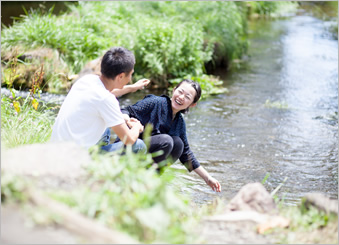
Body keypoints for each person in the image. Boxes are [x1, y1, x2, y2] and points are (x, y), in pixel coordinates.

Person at [119, 79, 222, 192]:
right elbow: (126, 110)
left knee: (179, 144)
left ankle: (148, 180)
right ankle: (138, 177)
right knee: (167, 141)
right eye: (180, 92)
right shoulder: (156, 102)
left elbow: (186, 154)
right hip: (128, 148)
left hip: (143, 155)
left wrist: (208, 178)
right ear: (174, 90)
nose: (181, 97)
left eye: (187, 97)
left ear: (192, 104)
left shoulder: (180, 123)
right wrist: (128, 120)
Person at [51, 47, 150, 153]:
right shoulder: (105, 99)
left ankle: (104, 160)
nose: (130, 79)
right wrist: (137, 127)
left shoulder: (87, 80)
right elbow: (129, 140)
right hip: (76, 157)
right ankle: (101, 166)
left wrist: (133, 87)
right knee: (138, 145)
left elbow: (106, 95)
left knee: (106, 126)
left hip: (57, 148)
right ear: (120, 76)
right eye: (130, 74)